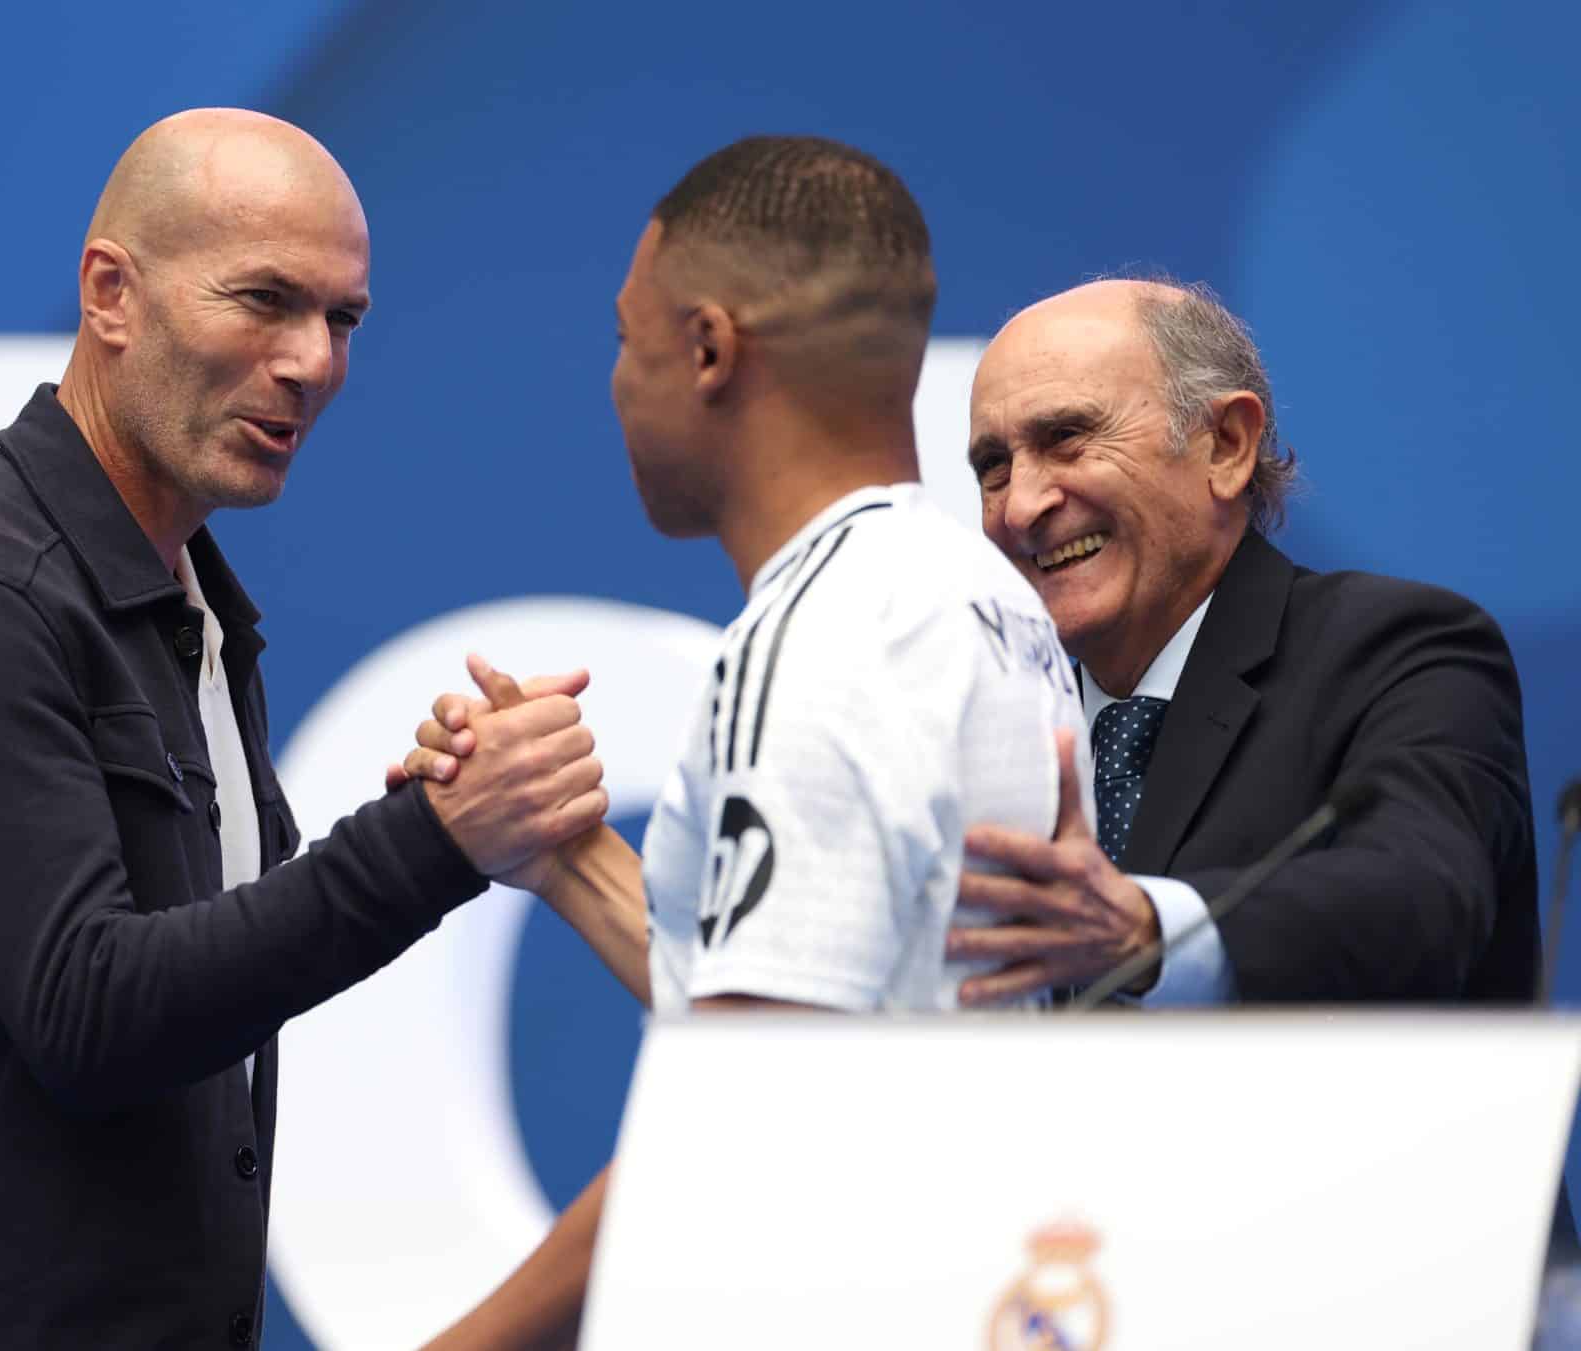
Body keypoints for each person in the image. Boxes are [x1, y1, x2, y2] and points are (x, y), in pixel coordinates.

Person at [0, 109, 608, 1350]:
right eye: (263, 300)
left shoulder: (190, 604)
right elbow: (91, 1012)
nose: (311, 361)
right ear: (111, 294)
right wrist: (430, 839)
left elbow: (188, 984)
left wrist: (438, 814)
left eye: (342, 320)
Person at [391, 134, 1093, 1350]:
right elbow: (838, 1007)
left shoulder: (815, 638)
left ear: (709, 349)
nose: (614, 380)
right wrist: (562, 851)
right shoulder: (974, 599)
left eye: (626, 340)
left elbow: (746, 1110)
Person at [946, 277, 1539, 1005]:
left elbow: (1422, 899)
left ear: (1226, 445)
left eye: (1066, 438)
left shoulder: (1400, 652)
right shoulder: (998, 724)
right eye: (993, 468)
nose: (1021, 507)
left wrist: (1150, 931)